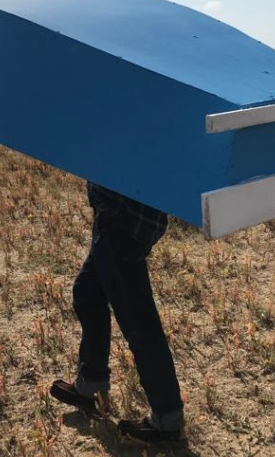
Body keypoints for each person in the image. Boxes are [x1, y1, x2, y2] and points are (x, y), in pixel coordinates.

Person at [50, 182, 184, 443]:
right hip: (118, 214)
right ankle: (90, 385)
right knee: (87, 292)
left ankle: (167, 418)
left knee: (138, 321)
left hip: (122, 218)